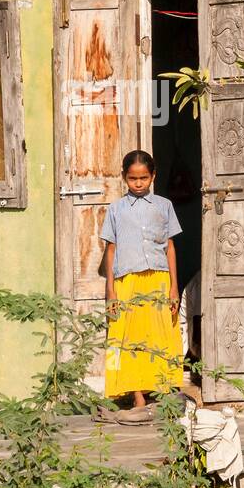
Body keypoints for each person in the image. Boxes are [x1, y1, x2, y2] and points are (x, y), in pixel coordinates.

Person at [100, 149, 183, 421]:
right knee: (128, 338)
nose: (138, 183)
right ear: (124, 177)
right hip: (127, 282)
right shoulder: (116, 210)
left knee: (160, 336)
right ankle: (137, 397)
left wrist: (173, 287)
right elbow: (111, 250)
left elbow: (170, 247)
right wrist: (111, 291)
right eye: (133, 178)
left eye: (144, 178)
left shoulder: (164, 206)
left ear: (153, 176)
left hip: (158, 280)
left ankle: (163, 392)